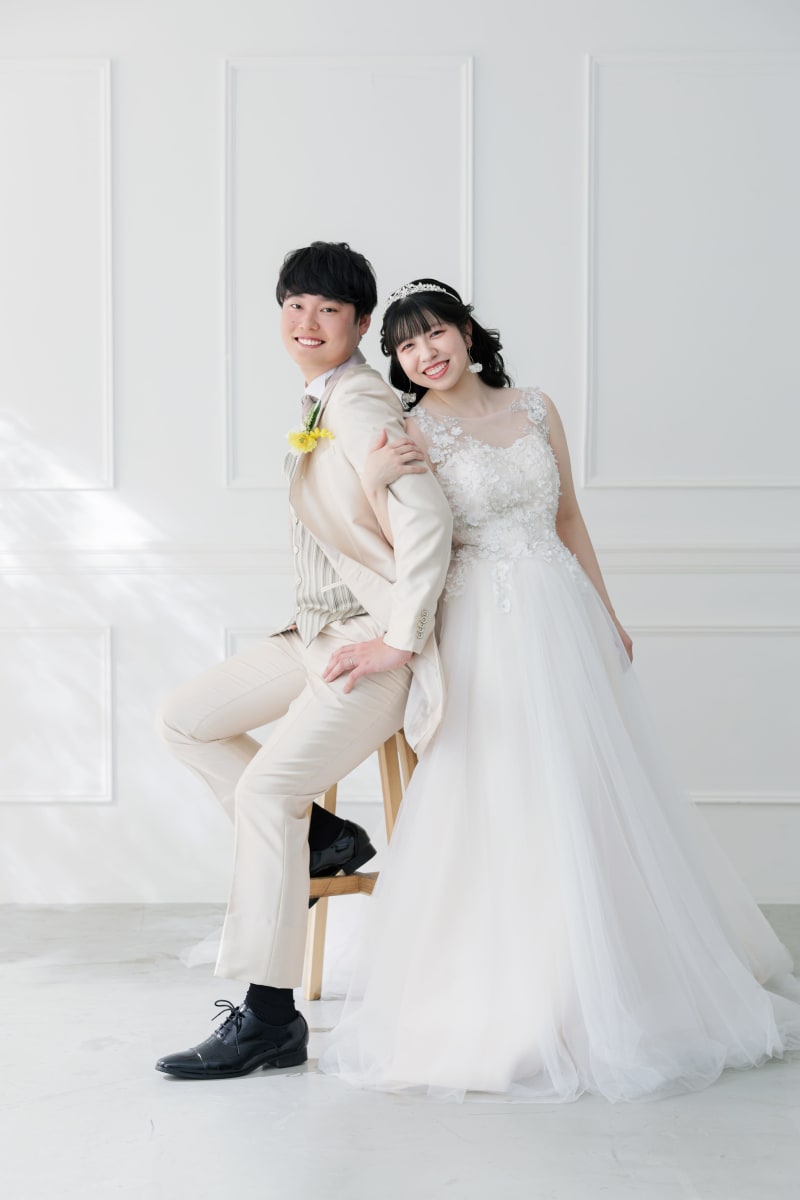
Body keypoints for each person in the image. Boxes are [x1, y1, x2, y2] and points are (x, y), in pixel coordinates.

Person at [319, 279, 800, 1102]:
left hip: (563, 616)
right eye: (406, 346)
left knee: (589, 787)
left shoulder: (536, 408)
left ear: (468, 333)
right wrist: (370, 484)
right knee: (504, 785)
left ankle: (611, 971)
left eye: (436, 333)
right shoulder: (412, 431)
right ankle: (520, 985)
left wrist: (608, 614)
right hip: (483, 625)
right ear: (396, 361)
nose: (425, 353)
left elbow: (568, 518)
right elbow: (402, 543)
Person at [154, 247, 453, 1080]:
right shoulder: (325, 398)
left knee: (265, 792)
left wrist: (401, 640)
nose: (307, 323)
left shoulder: (359, 402)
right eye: (295, 306)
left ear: (361, 323)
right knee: (184, 720)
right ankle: (325, 838)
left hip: (373, 644)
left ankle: (270, 1018)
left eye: (328, 309)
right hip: (315, 630)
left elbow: (428, 523)